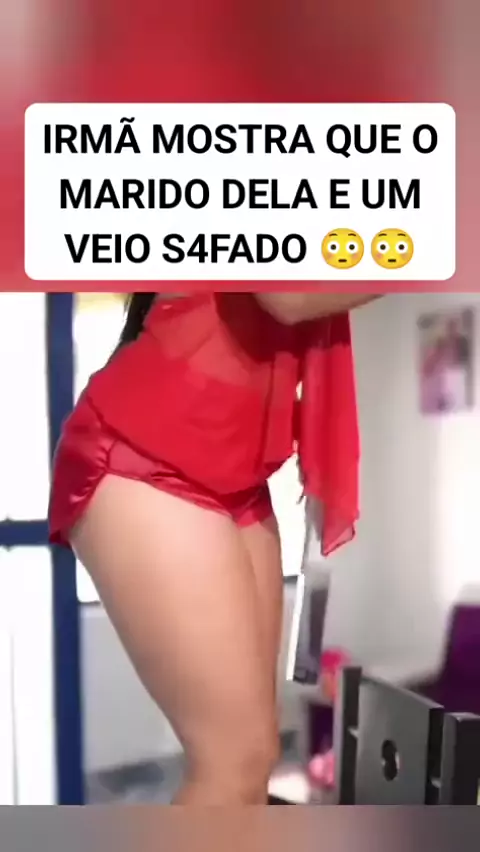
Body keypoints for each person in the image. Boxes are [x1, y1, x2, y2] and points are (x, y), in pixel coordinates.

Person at [49, 291, 378, 804]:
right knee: (233, 760)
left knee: (255, 757)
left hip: (238, 474)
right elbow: (288, 296)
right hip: (145, 454)